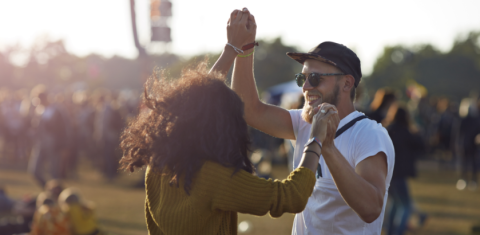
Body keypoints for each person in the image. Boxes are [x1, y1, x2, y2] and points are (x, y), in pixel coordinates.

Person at [118, 10, 339, 233]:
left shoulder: (158, 164)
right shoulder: (211, 177)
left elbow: (197, 99)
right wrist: (316, 138)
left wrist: (234, 48)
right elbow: (290, 196)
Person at [210, 8, 395, 234]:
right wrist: (245, 48)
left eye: (315, 78)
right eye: (302, 78)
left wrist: (326, 146)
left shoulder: (369, 133)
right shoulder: (305, 122)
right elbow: (249, 110)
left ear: (347, 84)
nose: (306, 87)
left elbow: (371, 209)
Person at [384, 105, 426, 235]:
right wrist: (417, 132)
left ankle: (390, 231)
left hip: (387, 172)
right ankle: (398, 232)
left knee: (395, 204)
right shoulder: (406, 132)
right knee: (405, 205)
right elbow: (422, 147)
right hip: (399, 174)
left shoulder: (386, 130)